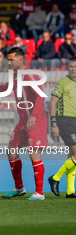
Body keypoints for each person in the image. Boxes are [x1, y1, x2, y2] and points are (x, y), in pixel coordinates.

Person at [0, 47, 47, 200]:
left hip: (35, 120)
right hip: (23, 121)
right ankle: (19, 187)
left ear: (20, 60)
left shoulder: (30, 75)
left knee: (34, 154)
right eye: (8, 59)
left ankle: (39, 193)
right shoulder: (15, 76)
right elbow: (4, 88)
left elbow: (41, 97)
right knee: (11, 151)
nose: (8, 63)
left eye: (11, 60)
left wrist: (33, 116)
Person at [48, 57, 76, 198]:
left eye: (75, 67)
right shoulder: (62, 83)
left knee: (72, 155)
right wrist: (54, 124)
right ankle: (55, 178)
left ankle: (70, 191)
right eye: (71, 66)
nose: (73, 69)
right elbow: (52, 104)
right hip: (66, 121)